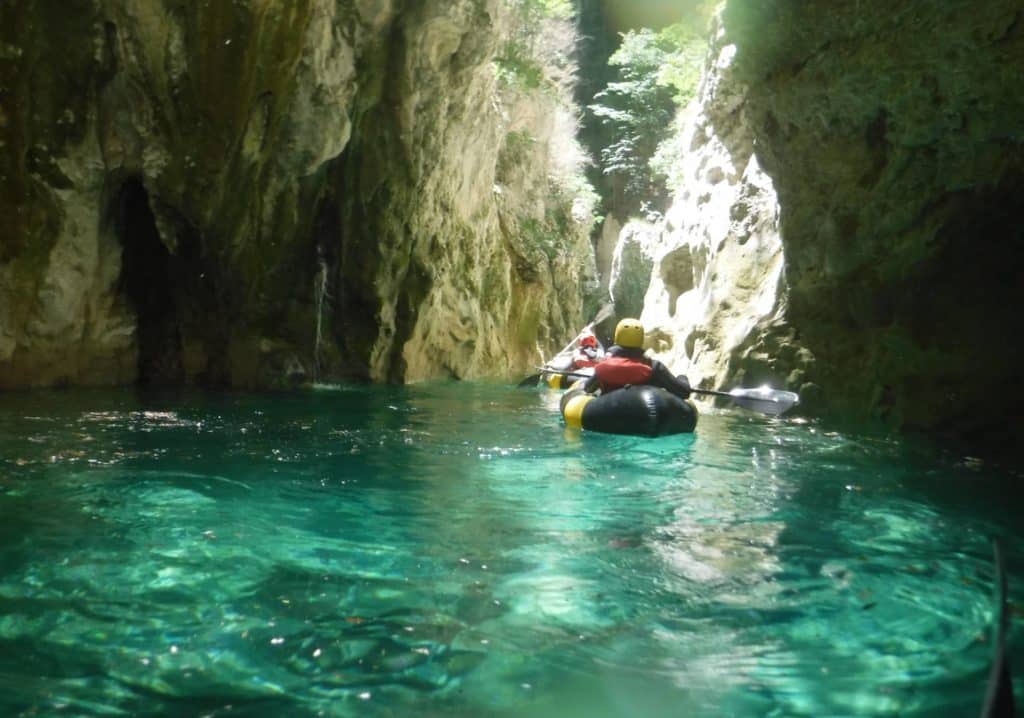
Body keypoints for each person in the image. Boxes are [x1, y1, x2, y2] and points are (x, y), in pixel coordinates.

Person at [583, 318, 691, 400]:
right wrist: (683, 378)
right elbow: (683, 392)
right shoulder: (654, 367)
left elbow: (588, 389)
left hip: (606, 414)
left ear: (617, 337)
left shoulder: (603, 367)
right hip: (645, 417)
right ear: (640, 340)